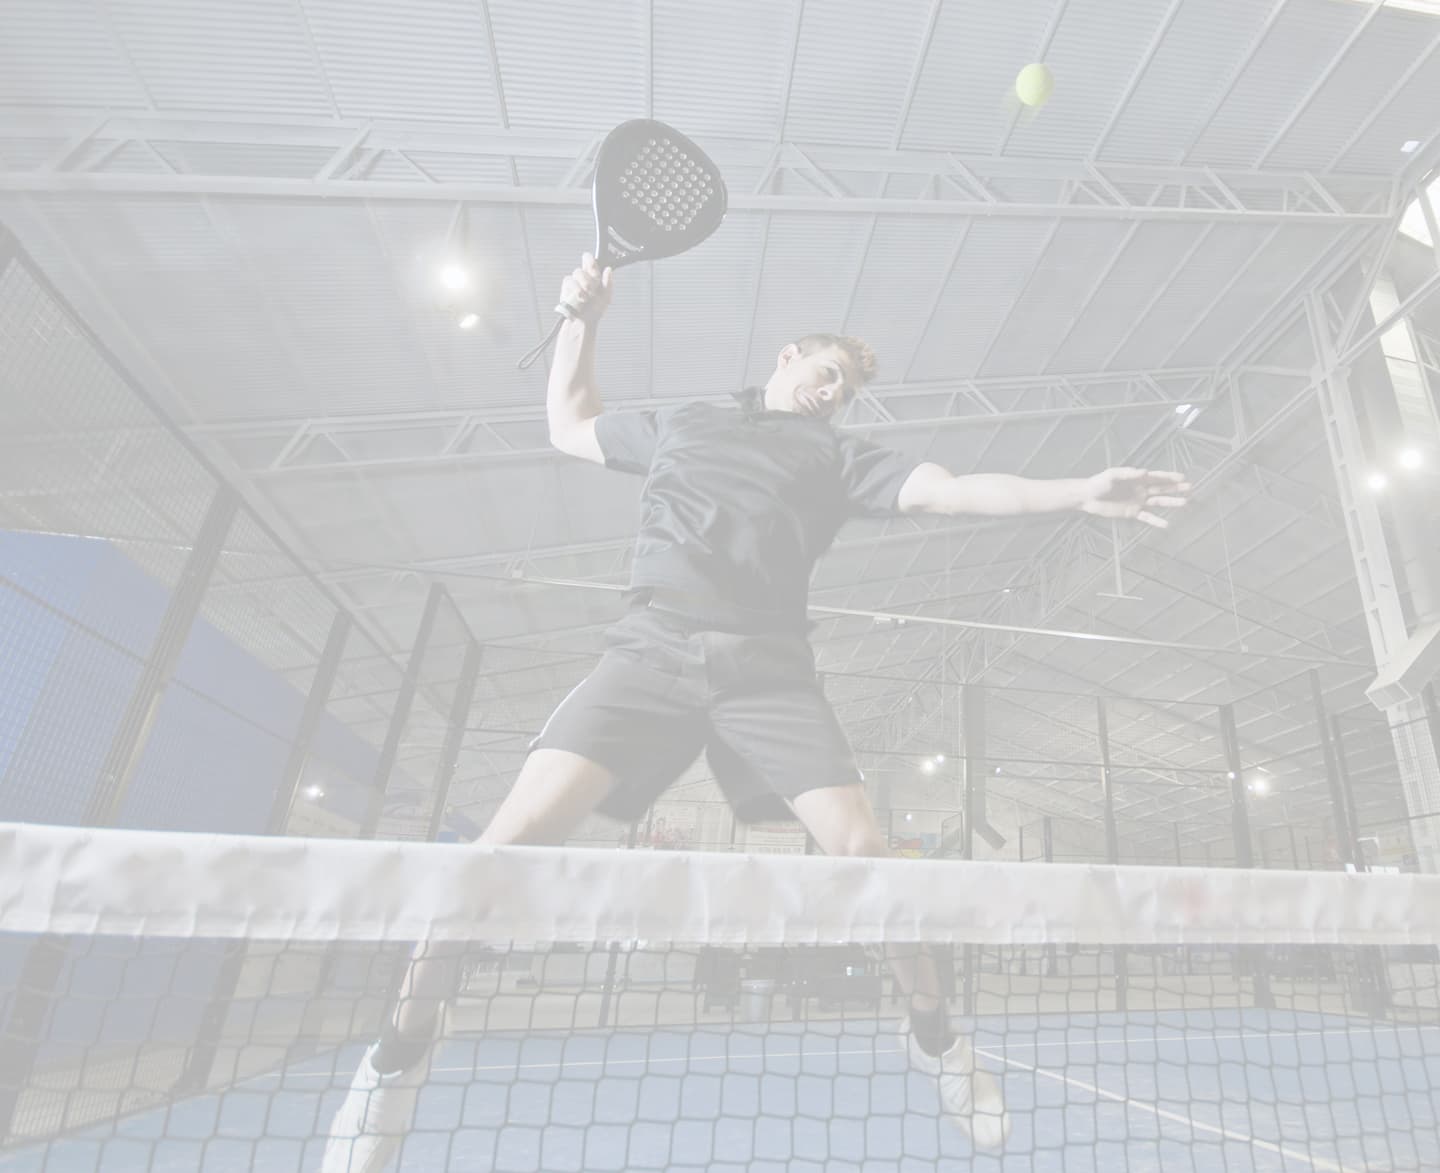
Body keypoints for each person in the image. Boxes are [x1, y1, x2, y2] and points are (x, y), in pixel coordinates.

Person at [322, 255, 1192, 1171]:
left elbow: (949, 487)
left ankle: (937, 1038)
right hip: (649, 653)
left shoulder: (840, 456)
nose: (832, 391)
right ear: (786, 359)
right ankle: (396, 1061)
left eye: (846, 387)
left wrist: (1075, 493)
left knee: (866, 856)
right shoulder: (685, 423)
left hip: (767, 672)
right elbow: (567, 423)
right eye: (826, 372)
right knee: (495, 857)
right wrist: (580, 320)